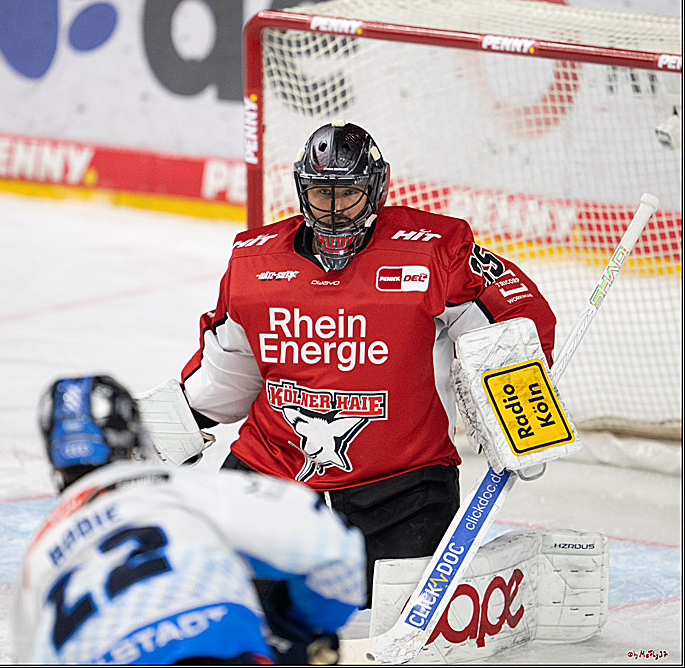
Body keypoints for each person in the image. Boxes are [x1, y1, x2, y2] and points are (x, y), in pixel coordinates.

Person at [154, 122, 558, 602]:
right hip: (271, 478)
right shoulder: (253, 264)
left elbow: (516, 314)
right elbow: (228, 369)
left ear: (377, 187)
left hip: (403, 491)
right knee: (225, 598)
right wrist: (160, 430)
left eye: (347, 193)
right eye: (321, 194)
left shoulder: (433, 250)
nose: (334, 208)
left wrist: (522, 411)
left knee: (395, 609)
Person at [13, 375, 367, 665]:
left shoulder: (41, 554)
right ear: (136, 437)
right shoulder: (180, 489)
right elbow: (333, 550)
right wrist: (300, 627)